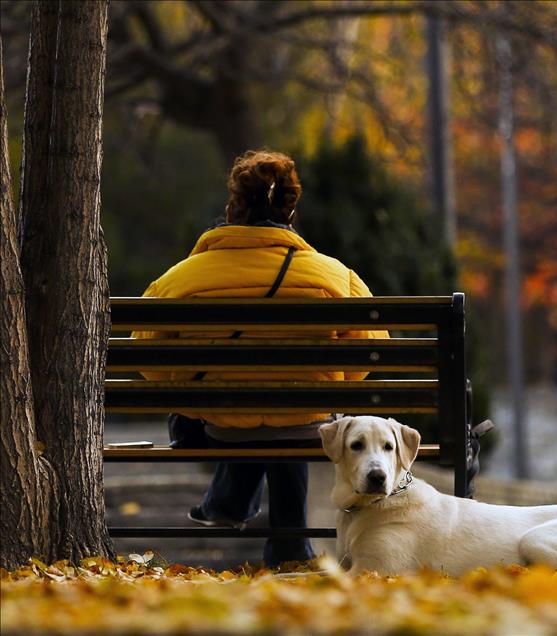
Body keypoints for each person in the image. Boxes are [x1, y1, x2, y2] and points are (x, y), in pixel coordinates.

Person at [135, 150, 386, 566]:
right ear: (291, 213)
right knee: (294, 412)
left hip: (222, 426)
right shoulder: (334, 275)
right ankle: (290, 547)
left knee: (246, 412)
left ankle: (230, 502)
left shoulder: (182, 277)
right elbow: (366, 357)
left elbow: (149, 360)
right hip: (305, 424)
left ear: (231, 211)